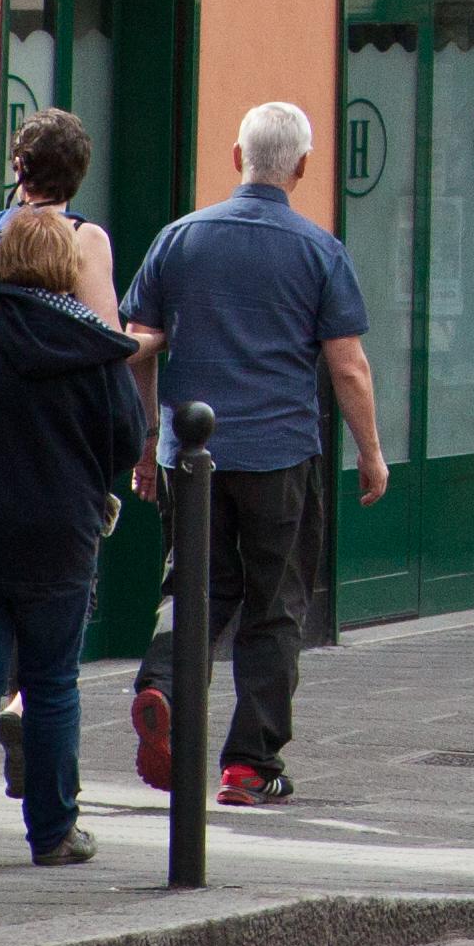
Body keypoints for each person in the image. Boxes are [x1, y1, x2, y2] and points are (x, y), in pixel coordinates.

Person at [124, 102, 386, 809]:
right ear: (302, 167)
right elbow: (349, 367)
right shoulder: (319, 250)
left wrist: (148, 440)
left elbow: (137, 346)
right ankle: (249, 763)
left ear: (235, 156)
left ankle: (162, 682)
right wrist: (371, 453)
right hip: (281, 456)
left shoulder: (178, 239)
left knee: (195, 585)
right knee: (276, 605)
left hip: (192, 456)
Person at [0, 206, 144, 873]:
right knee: (50, 682)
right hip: (58, 534)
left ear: (5, 260)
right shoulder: (93, 344)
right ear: (68, 267)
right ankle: (53, 832)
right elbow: (126, 436)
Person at [0, 111, 120, 328]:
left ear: (19, 166)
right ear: (80, 170)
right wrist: (157, 339)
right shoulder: (84, 238)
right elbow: (108, 337)